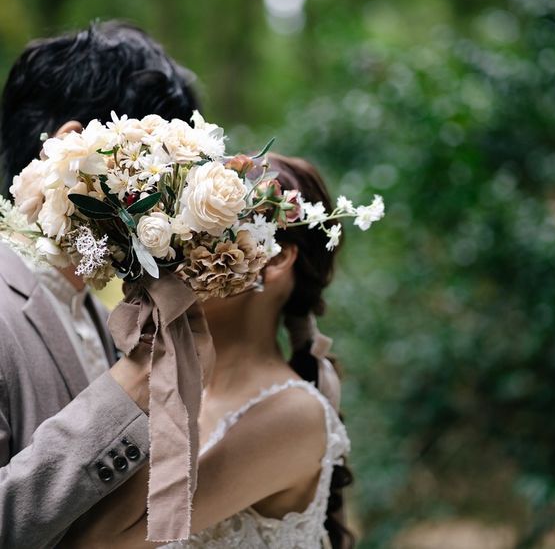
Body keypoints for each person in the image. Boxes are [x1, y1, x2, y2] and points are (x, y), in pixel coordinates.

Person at [59, 154, 355, 549]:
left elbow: (98, 541)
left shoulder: (295, 415)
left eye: (208, 231)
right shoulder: (172, 386)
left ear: (275, 258)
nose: (178, 249)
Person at [0, 20, 200, 548]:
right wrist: (128, 388)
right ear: (73, 152)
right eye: (160, 172)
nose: (172, 207)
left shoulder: (96, 309)